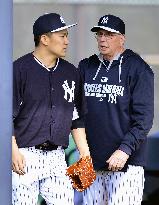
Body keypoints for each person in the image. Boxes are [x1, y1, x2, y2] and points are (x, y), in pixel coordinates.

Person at [12, 13, 90, 205]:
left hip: (57, 158)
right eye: (62, 36)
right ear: (44, 39)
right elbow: (5, 116)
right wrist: (12, 151)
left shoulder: (71, 72)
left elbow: (76, 117)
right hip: (25, 154)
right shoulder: (18, 69)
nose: (66, 41)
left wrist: (85, 155)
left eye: (67, 36)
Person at [78, 14, 154, 205]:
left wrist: (124, 149)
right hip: (91, 163)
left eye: (109, 35)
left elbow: (144, 119)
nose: (103, 39)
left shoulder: (138, 69)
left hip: (126, 164)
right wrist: (83, 152)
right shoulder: (86, 66)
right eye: (99, 34)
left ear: (122, 38)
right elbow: (75, 112)